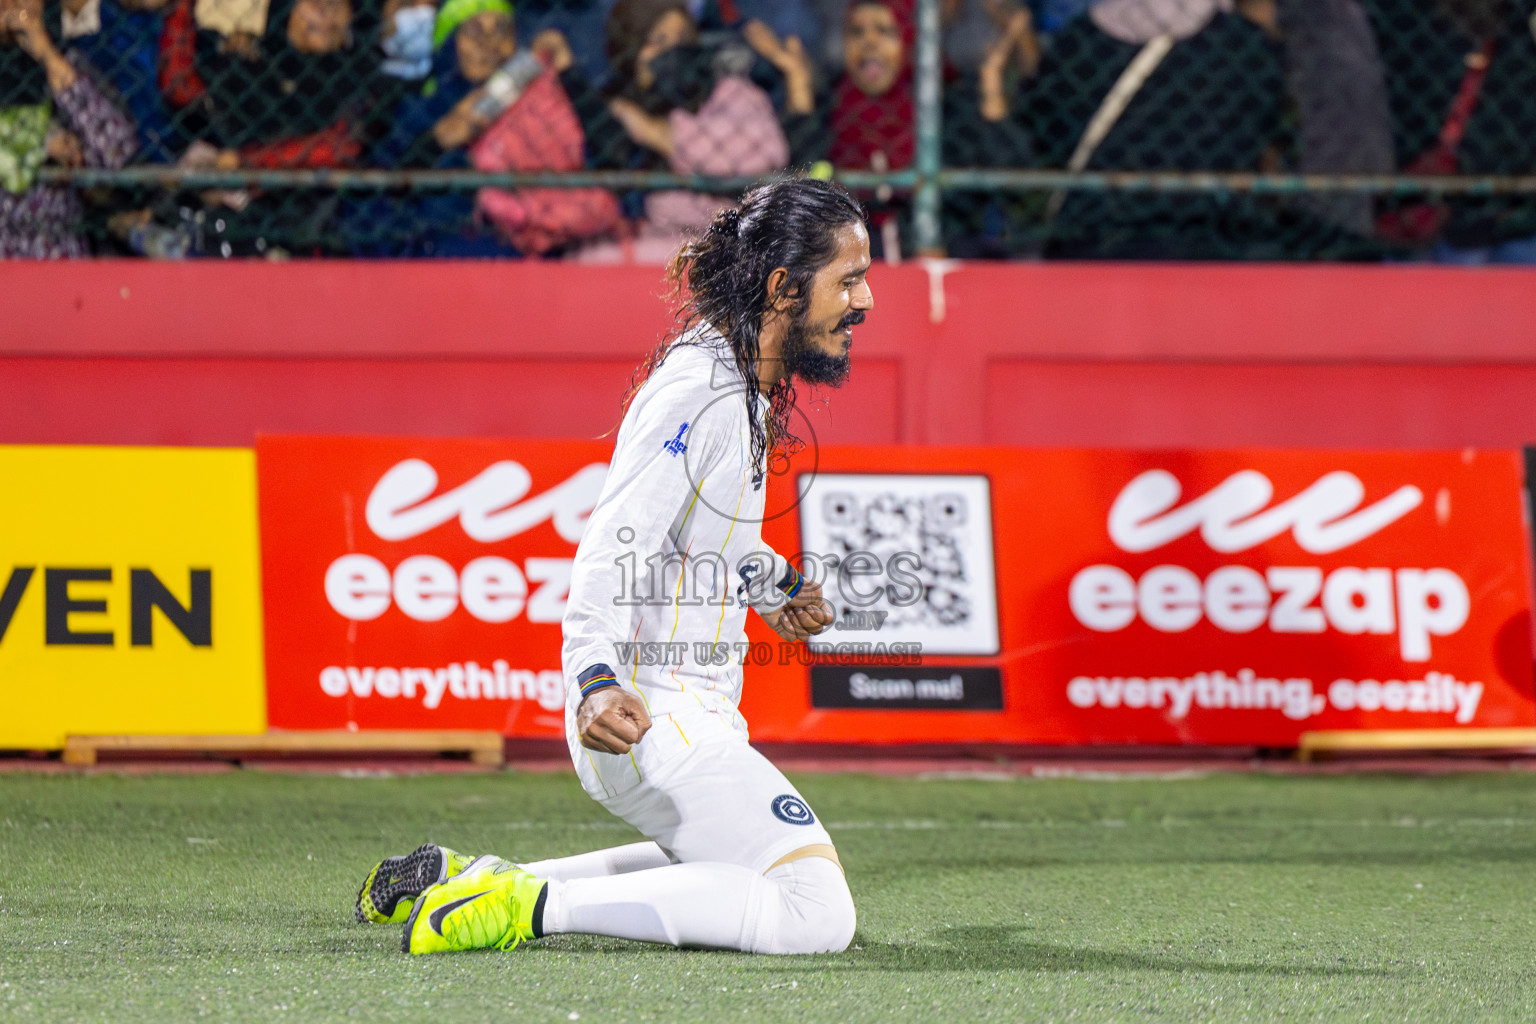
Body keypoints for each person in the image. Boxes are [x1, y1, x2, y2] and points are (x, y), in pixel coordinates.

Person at [353, 177, 871, 957]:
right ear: (783, 288)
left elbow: (709, 536)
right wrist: (593, 679)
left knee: (719, 874)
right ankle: (529, 907)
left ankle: (467, 880)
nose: (865, 301)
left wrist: (777, 587)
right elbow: (614, 543)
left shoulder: (737, 383)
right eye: (850, 280)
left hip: (680, 711)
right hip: (650, 715)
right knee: (816, 913)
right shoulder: (701, 391)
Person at [750, 0, 1033, 258]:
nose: (869, 42)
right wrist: (799, 85)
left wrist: (991, 91)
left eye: (885, 31)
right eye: (857, 32)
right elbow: (795, 176)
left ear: (910, 39)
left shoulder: (946, 108)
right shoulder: (831, 106)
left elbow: (1014, 181)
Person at [576, 0, 788, 263]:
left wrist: (661, 133)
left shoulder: (730, 92)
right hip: (641, 251)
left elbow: (764, 154)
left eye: (683, 39)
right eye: (658, 41)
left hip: (724, 248)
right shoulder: (609, 107)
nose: (673, 52)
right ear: (631, 49)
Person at [1, 0, 136, 257]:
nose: (13, 4)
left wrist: (47, 55)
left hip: (55, 251)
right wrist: (39, 143)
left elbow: (116, 149)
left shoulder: (69, 62)